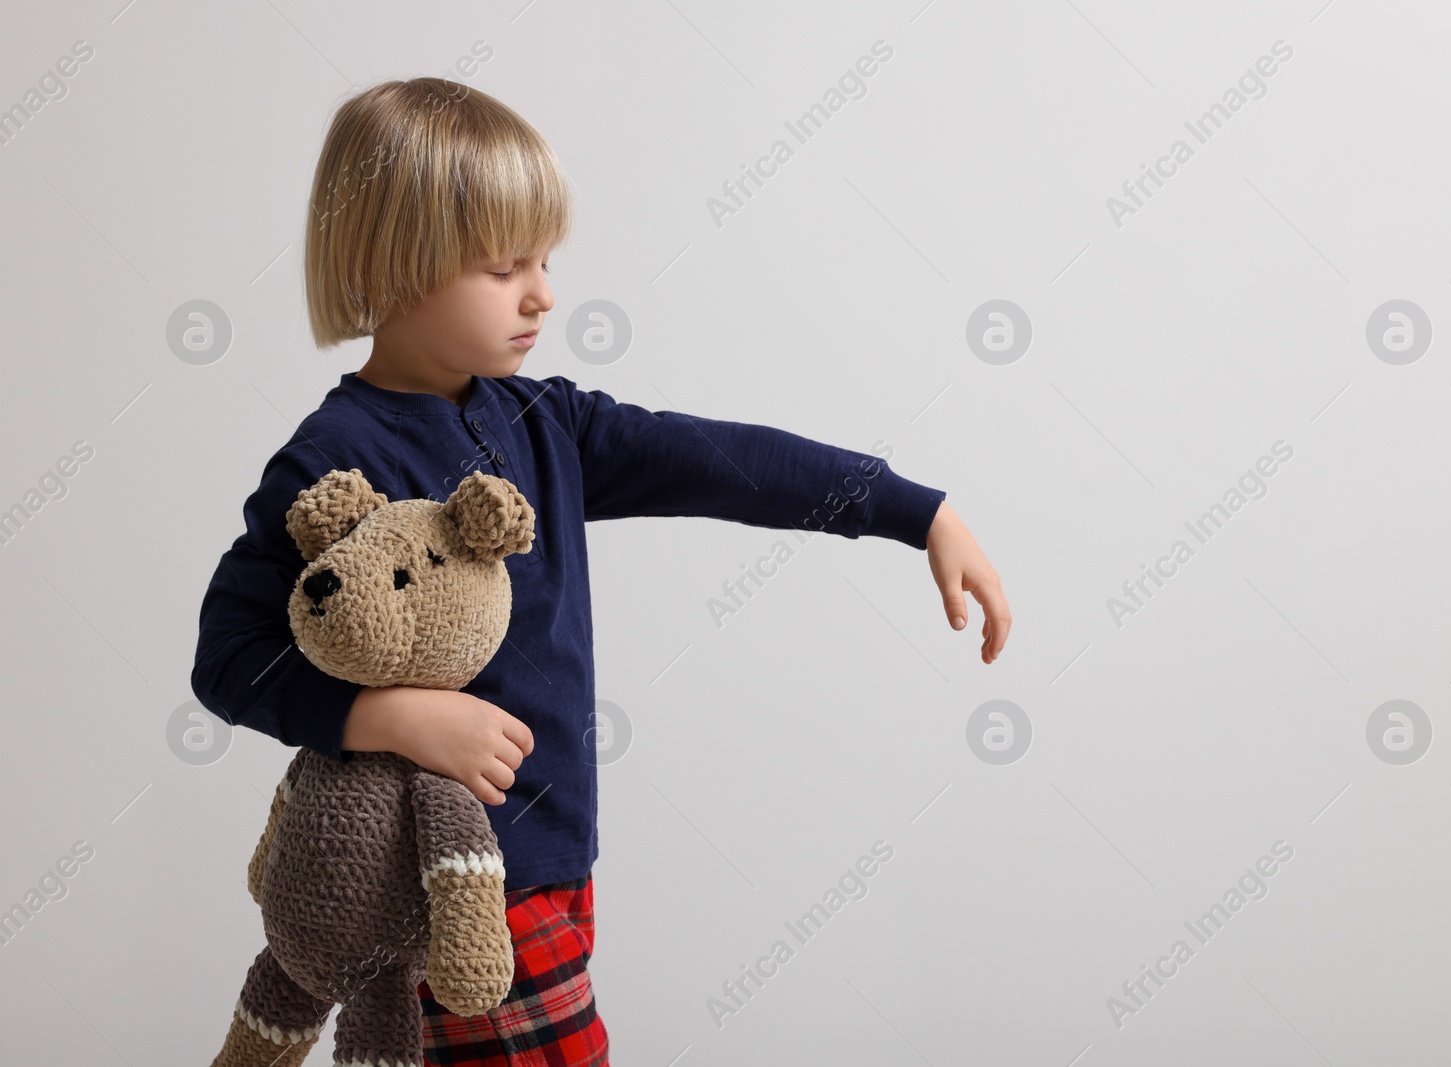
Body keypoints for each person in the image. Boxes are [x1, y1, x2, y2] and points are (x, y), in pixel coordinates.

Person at [190, 75, 1011, 1066]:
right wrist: (389, 716)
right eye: (503, 267)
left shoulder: (545, 422)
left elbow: (719, 460)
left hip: (557, 854)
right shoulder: (332, 460)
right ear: (398, 269)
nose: (541, 292)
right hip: (453, 876)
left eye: (543, 260)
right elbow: (228, 651)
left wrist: (913, 509)